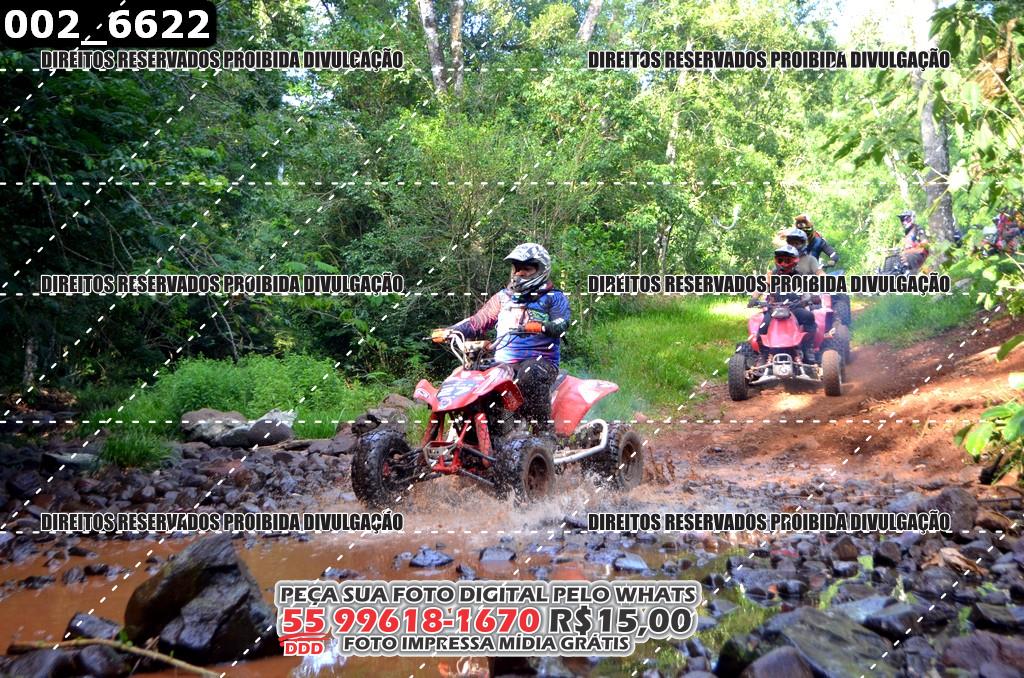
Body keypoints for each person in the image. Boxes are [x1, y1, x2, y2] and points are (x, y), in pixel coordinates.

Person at [431, 243, 570, 434]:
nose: (520, 273)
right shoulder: (504, 297)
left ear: (541, 269)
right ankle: (474, 434)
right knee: (466, 375)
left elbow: (562, 323)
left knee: (529, 373)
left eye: (526, 268)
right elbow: (478, 321)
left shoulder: (554, 297)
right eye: (517, 268)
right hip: (503, 363)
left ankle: (544, 432)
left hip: (541, 362)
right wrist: (450, 331)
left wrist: (542, 326)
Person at [750, 244, 818, 364]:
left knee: (809, 317)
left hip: (794, 308)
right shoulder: (772, 275)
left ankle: (808, 348)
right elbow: (761, 286)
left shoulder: (800, 275)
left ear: (794, 261)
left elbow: (808, 290)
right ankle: (763, 354)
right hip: (773, 309)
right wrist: (754, 298)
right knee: (762, 327)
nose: (783, 263)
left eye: (787, 260)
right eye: (780, 260)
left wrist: (811, 298)